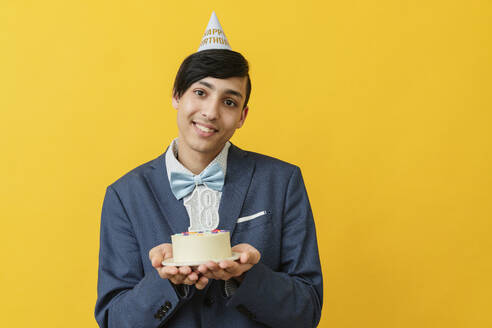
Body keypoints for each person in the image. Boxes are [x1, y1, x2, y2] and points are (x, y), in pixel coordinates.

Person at [95, 12, 323, 328]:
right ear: (177, 96)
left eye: (229, 102)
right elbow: (114, 321)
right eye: (200, 93)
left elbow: (307, 311)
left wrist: (246, 276)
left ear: (242, 115)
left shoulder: (282, 182)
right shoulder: (125, 195)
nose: (210, 113)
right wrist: (168, 282)